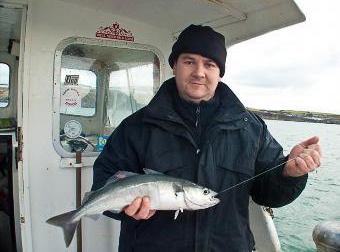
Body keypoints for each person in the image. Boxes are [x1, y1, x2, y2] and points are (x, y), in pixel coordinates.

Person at [92, 24, 322, 252]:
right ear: (174, 66)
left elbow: (268, 194)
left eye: (209, 64)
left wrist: (290, 173)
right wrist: (125, 208)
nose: (199, 72)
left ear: (219, 73)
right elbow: (105, 180)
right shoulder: (136, 127)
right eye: (189, 61)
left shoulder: (251, 128)